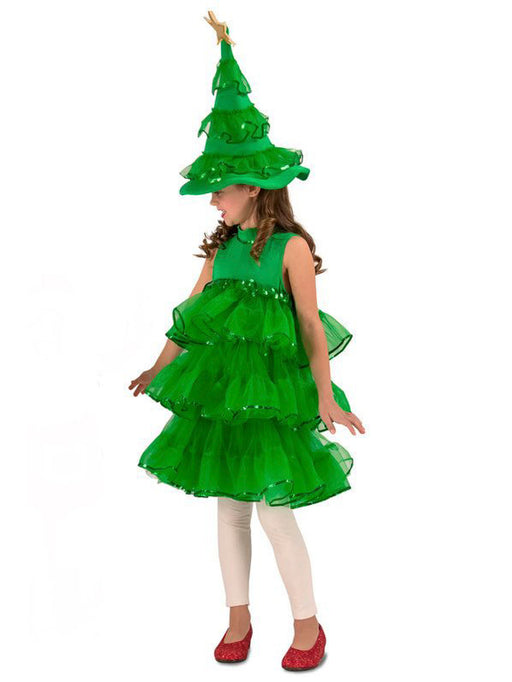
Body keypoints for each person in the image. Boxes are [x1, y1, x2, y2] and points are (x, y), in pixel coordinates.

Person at [128, 12, 365, 672]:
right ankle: (238, 617)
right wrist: (157, 367)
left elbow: (311, 328)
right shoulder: (221, 250)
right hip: (223, 397)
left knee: (273, 512)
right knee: (228, 509)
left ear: (252, 185)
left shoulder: (291, 249)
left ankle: (309, 626)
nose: (212, 201)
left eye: (219, 189)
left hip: (272, 397)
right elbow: (191, 319)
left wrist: (325, 397)